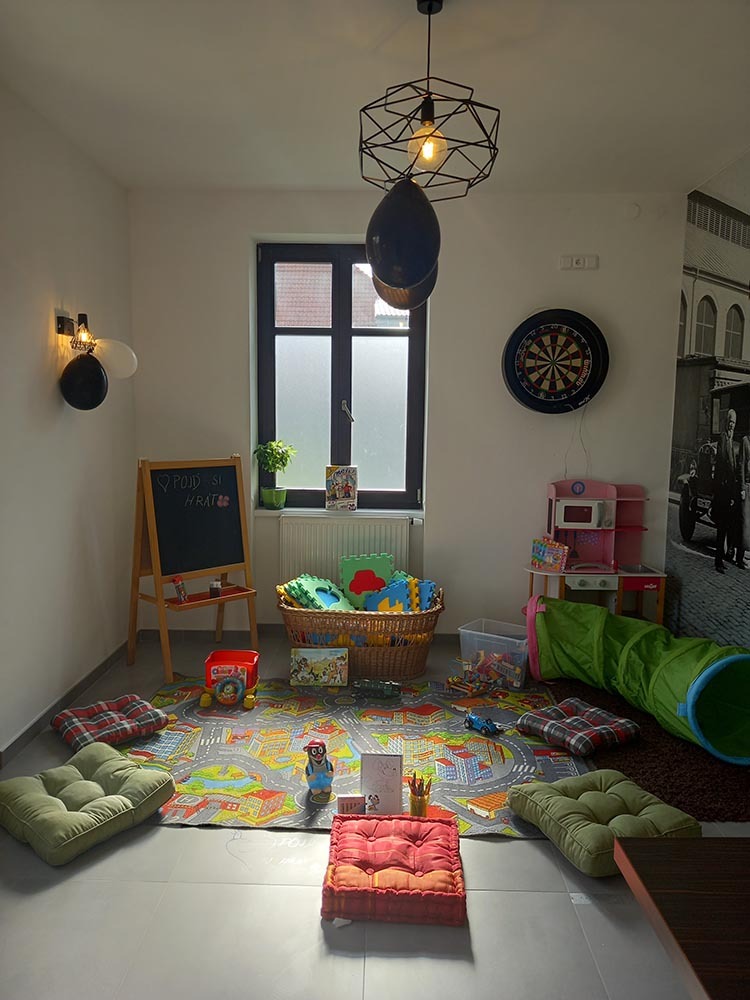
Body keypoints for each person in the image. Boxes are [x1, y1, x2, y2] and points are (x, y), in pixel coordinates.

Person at [714, 409, 740, 573]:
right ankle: (718, 561)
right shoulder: (723, 438)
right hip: (723, 490)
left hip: (729, 489)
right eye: (730, 422)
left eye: (734, 423)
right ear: (726, 423)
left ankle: (724, 557)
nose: (732, 425)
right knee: (721, 527)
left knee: (728, 525)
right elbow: (723, 463)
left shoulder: (731, 439)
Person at [739, 429, 750, 569]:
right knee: (744, 524)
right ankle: (740, 557)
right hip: (746, 486)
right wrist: (742, 488)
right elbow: (741, 465)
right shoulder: (745, 441)